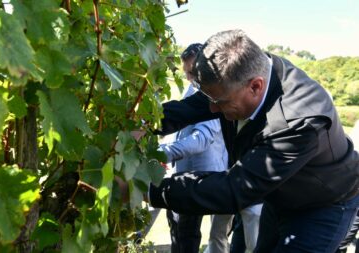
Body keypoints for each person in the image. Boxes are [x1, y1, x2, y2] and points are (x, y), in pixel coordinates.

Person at [148, 29, 359, 252]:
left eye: (219, 102)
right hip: (281, 195)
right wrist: (143, 124)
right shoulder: (241, 73)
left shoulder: (298, 121)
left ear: (256, 86)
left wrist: (149, 189)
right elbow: (195, 106)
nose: (212, 109)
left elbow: (235, 189)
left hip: (323, 205)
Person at [160, 43, 232, 253]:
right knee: (179, 231)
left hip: (205, 177)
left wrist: (165, 151)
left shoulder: (213, 95)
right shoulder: (193, 89)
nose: (190, 78)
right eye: (187, 73)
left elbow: (201, 139)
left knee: (199, 236)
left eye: (192, 72)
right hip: (185, 173)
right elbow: (181, 122)